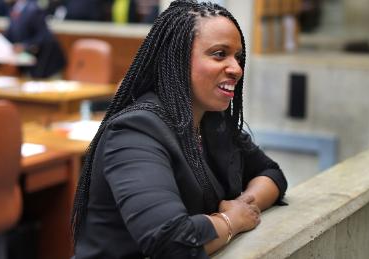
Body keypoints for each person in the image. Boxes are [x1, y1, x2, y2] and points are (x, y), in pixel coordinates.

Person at [71, 1, 288, 258]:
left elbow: (271, 174)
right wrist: (232, 221)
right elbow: (171, 241)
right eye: (220, 54)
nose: (237, 69)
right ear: (177, 58)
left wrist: (243, 205)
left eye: (238, 58)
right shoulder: (135, 132)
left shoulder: (212, 122)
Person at [4, 0, 65, 78]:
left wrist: (24, 46)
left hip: (46, 65)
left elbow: (44, 36)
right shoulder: (13, 9)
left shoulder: (34, 9)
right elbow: (10, 34)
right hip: (28, 64)